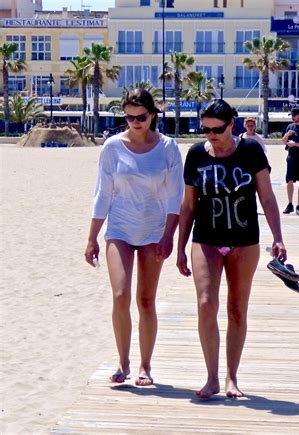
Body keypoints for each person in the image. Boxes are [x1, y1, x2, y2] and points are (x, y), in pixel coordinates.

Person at [177, 99, 286, 399]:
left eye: (217, 128)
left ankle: (231, 377)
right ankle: (211, 377)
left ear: (232, 125)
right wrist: (180, 247)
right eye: (206, 129)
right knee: (205, 303)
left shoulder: (251, 151)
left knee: (237, 309)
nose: (211, 134)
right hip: (206, 239)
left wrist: (278, 237)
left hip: (244, 240)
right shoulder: (196, 155)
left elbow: (266, 197)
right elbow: (188, 206)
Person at [84, 88, 184, 386]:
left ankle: (145, 365)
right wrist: (91, 238)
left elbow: (174, 196)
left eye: (141, 117)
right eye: (129, 117)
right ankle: (123, 362)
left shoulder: (167, 147)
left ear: (152, 115)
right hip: (120, 229)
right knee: (120, 295)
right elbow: (103, 194)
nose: (135, 122)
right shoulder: (113, 147)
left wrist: (169, 235)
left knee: (145, 300)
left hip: (154, 230)